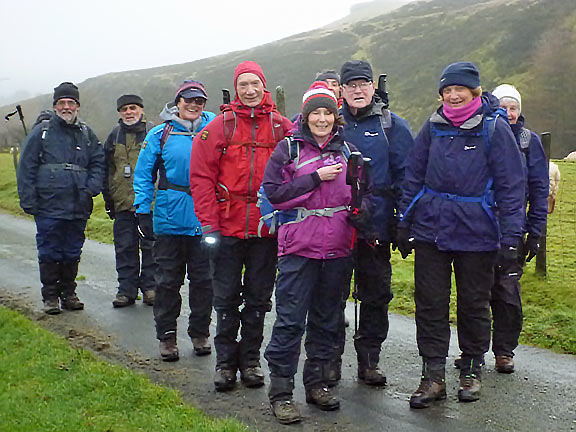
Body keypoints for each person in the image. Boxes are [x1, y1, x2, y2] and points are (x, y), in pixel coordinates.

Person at [398, 62, 525, 407]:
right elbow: (413, 174)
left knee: (473, 304)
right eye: (447, 90)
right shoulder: (433, 126)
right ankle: (433, 376)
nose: (453, 96)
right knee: (430, 305)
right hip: (432, 230)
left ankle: (471, 368)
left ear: (475, 92)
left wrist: (512, 238)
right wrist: (404, 221)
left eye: (460, 90)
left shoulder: (495, 129)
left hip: (478, 231)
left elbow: (512, 186)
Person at [263, 82, 367, 424]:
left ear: (336, 117)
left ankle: (318, 384)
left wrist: (362, 212)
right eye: (315, 113)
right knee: (291, 321)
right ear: (305, 117)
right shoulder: (288, 150)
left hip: (337, 250)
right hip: (298, 249)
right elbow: (275, 193)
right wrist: (315, 179)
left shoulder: (349, 153)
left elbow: (361, 194)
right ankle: (281, 392)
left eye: (327, 113)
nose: (321, 119)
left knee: (326, 321)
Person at [189, 61, 293, 391]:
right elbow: (201, 178)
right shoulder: (220, 127)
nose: (249, 91)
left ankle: (249, 362)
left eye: (255, 84)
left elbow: (299, 172)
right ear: (236, 88)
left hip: (266, 229)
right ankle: (224, 363)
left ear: (265, 86)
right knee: (225, 297)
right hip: (226, 227)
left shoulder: (282, 128)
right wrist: (209, 225)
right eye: (243, 85)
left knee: (259, 299)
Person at [338, 60, 414, 386]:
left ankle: (369, 360)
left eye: (363, 84)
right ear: (341, 89)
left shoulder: (392, 126)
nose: (358, 90)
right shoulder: (329, 121)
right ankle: (327, 361)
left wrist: (404, 222)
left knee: (375, 295)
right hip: (334, 227)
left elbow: (407, 178)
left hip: (377, 226)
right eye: (351, 84)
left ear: (373, 87)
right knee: (331, 296)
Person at [133, 80, 216, 361]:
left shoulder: (216, 129)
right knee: (168, 281)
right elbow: (144, 174)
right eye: (188, 100)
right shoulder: (160, 133)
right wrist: (143, 210)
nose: (193, 105)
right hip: (169, 219)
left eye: (199, 101)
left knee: (204, 281)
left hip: (205, 217)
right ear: (177, 101)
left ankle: (200, 333)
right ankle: (167, 337)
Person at [17, 82, 104, 315]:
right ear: (55, 106)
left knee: (73, 250)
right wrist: (28, 200)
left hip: (78, 204)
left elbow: (98, 162)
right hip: (48, 205)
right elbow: (26, 167)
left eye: (71, 102)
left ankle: (69, 293)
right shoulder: (41, 132)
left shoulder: (87, 133)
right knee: (49, 250)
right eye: (61, 103)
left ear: (77, 106)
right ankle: (50, 296)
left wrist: (91, 188)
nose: (66, 107)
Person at [488, 84, 548, 373]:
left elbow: (539, 189)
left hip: (513, 230)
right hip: (480, 228)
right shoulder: (483, 135)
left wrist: (535, 232)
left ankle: (504, 351)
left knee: (507, 292)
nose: (509, 113)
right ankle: (471, 350)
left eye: (514, 108)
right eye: (504, 107)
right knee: (475, 292)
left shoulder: (528, 141)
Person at [103, 94, 156, 308]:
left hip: (150, 205)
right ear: (119, 113)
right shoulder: (113, 136)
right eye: (124, 109)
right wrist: (109, 199)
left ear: (141, 110)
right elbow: (107, 169)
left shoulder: (154, 132)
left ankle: (151, 288)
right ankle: (126, 291)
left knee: (151, 248)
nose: (129, 112)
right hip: (123, 203)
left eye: (133, 108)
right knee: (124, 248)